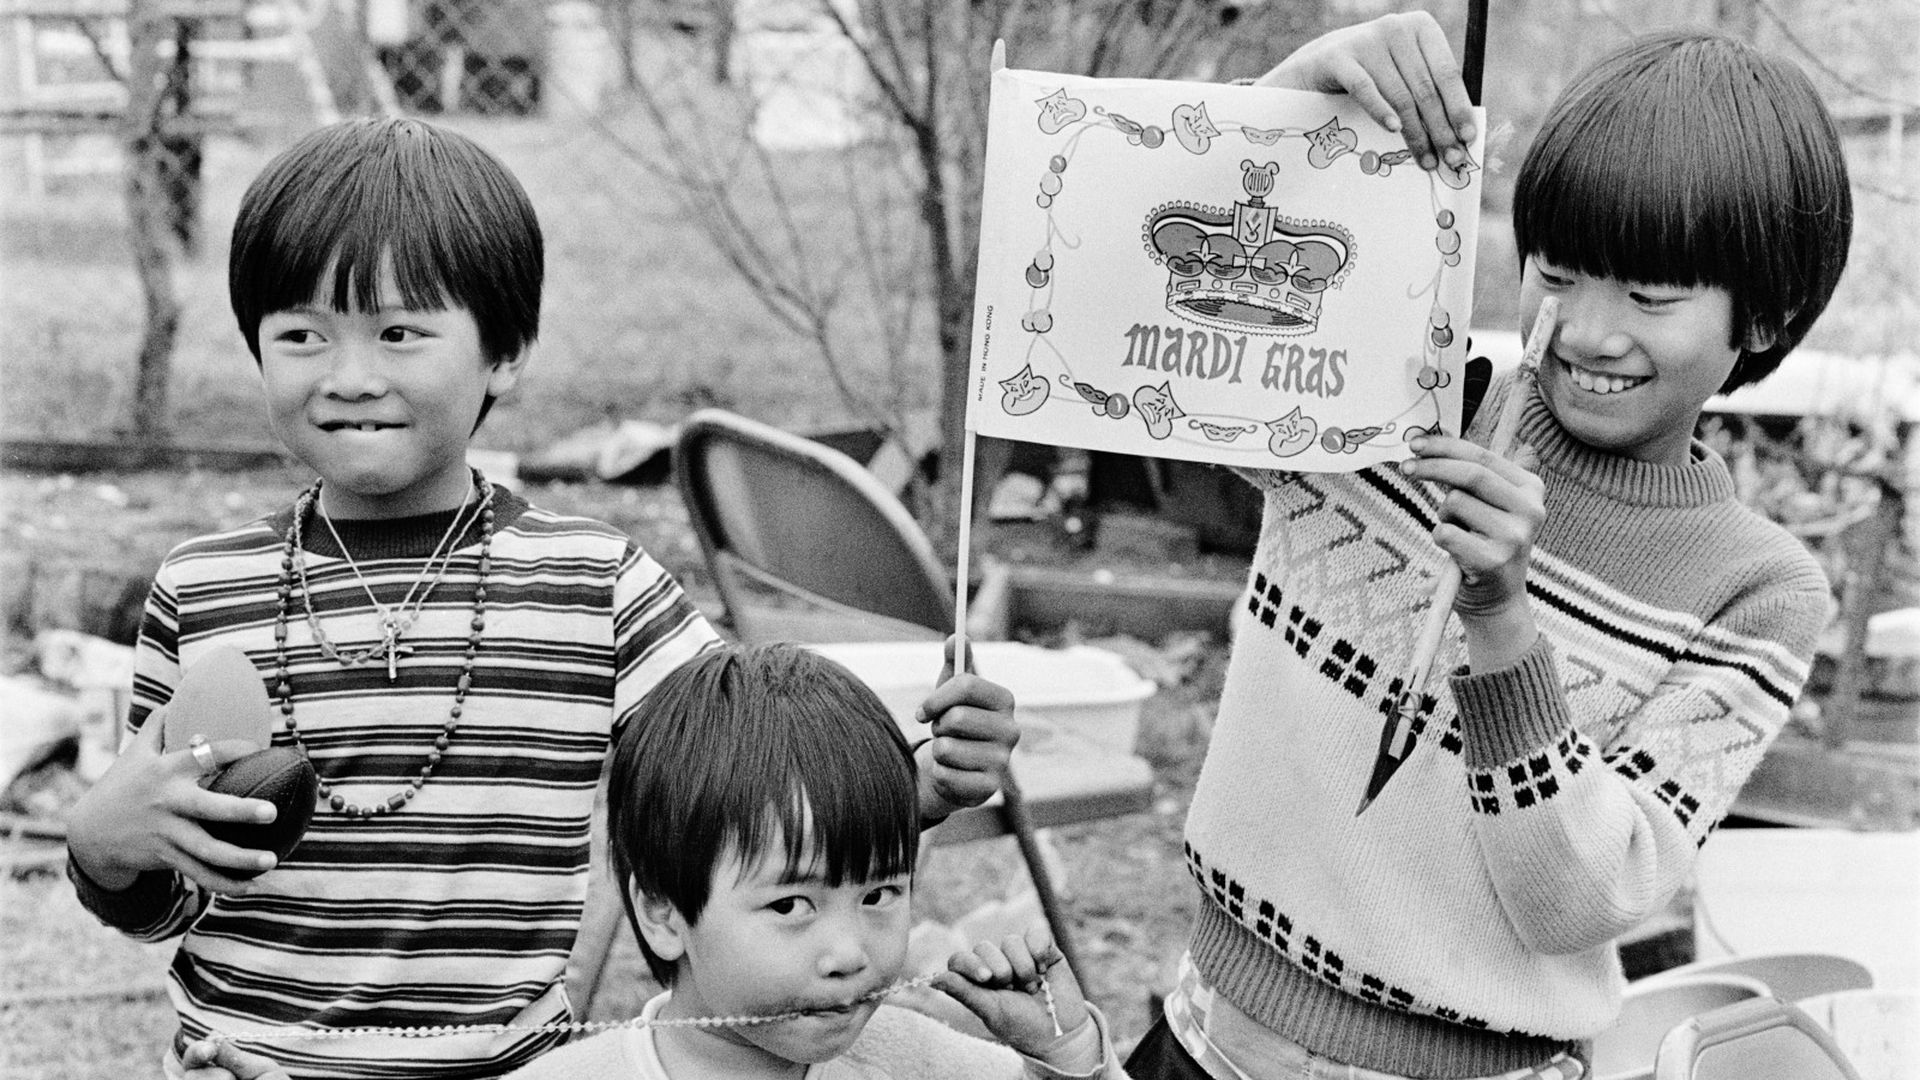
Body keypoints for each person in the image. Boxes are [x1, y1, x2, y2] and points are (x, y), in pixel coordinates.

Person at [62, 117, 1020, 1080]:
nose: (350, 376)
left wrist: (919, 784)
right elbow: (173, 888)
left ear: (505, 351)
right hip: (246, 1066)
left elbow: (748, 786)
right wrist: (105, 850)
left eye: (399, 332)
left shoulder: (594, 585)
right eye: (302, 335)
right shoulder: (202, 589)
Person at [1127, 13, 1852, 1080]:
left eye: (1651, 297)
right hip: (1204, 1040)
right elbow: (1119, 321)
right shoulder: (1388, 400)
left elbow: (1583, 898)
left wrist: (1504, 621)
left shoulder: (1757, 592)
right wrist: (1280, 110)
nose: (1591, 330)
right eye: (1558, 273)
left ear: (1767, 315)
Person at [181, 644, 1129, 1080]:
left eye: (879, 893)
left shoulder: (916, 1062)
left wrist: (1068, 1053)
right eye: (792, 906)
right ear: (664, 909)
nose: (851, 951)